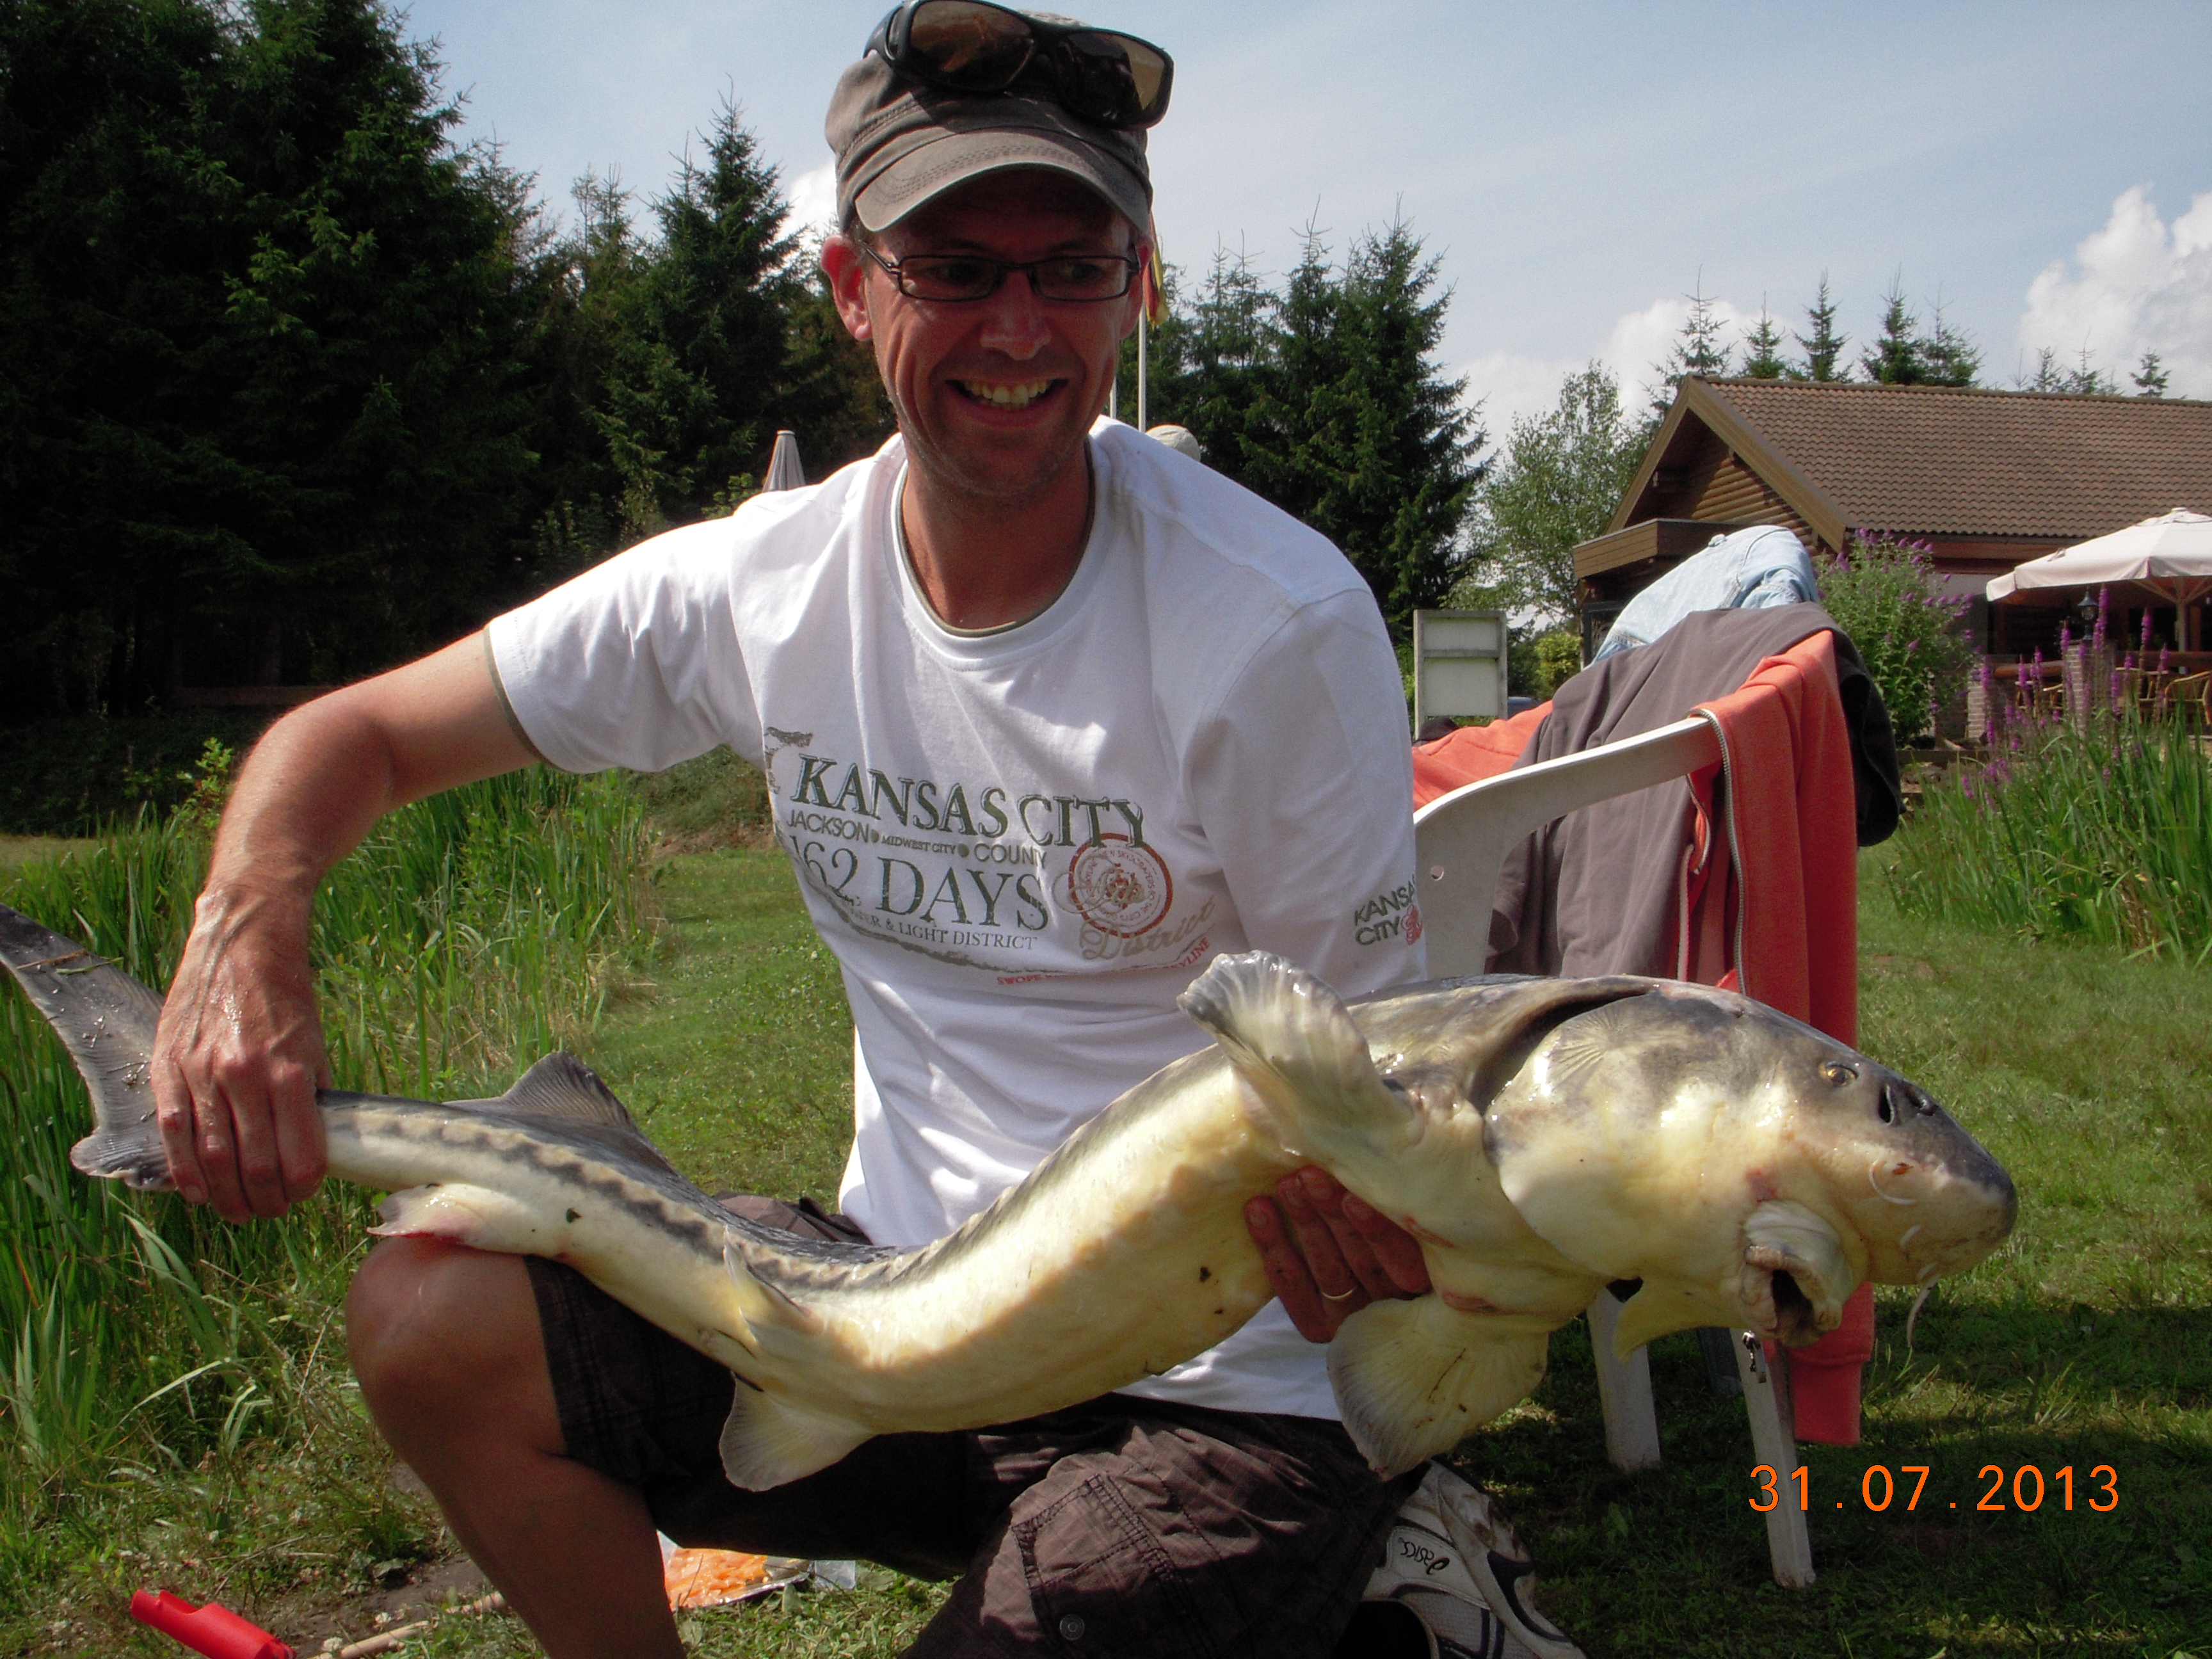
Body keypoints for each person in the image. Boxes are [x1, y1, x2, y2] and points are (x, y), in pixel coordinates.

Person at [146, 7, 1580, 1655]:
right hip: (878, 1319)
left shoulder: (1273, 623)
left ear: (1140, 285)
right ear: (851, 287)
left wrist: (1396, 1230)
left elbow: (1382, 1090)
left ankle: (1389, 1551)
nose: (1017, 327)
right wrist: (241, 928)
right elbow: (355, 736)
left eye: (1072, 267)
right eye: (952, 269)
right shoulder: (760, 586)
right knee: (429, 1318)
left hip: (1226, 1390)